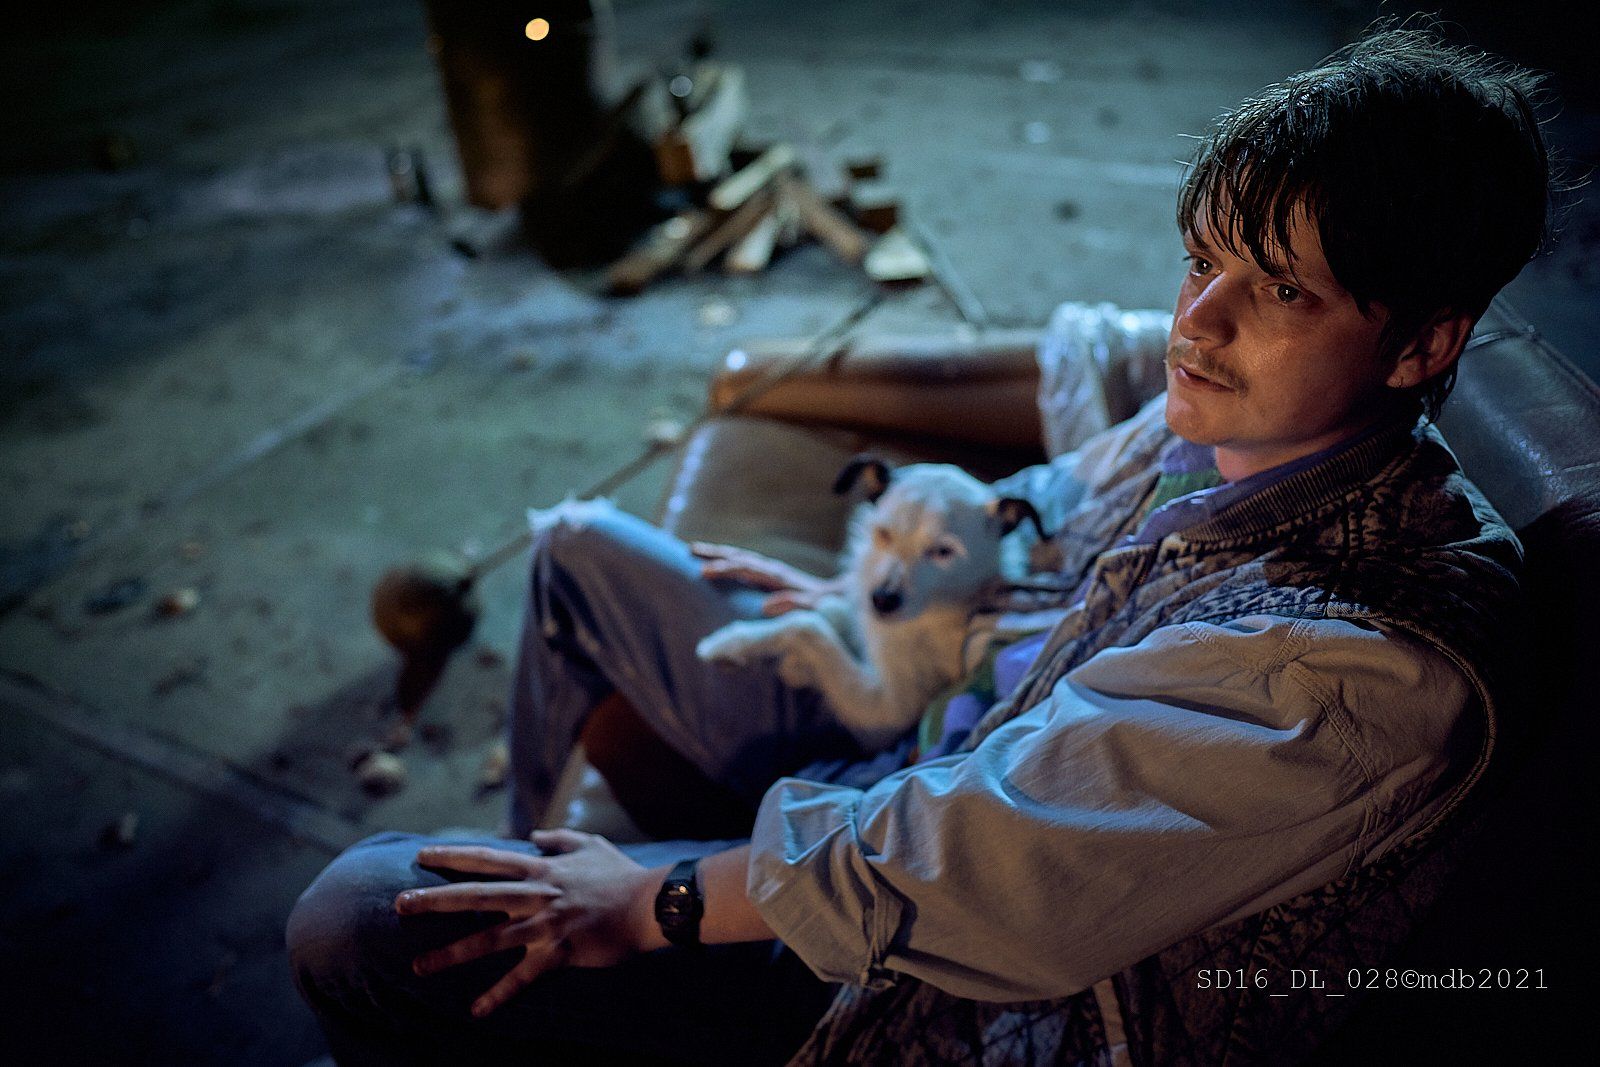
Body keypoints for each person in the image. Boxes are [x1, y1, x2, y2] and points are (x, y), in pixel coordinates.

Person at [287, 26, 1557, 1066]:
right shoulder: (1224, 434)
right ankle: (530, 891)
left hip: (925, 975)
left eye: (1280, 290)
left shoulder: (1354, 670)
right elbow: (1037, 524)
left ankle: (538, 929)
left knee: (351, 918)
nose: (1197, 321)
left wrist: (653, 901)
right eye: (1199, 261)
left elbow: (970, 867)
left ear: (1423, 343)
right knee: (575, 554)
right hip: (909, 728)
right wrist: (861, 597)